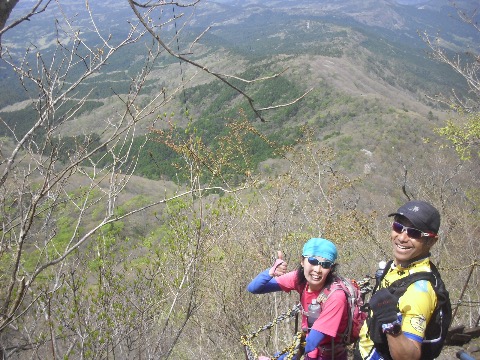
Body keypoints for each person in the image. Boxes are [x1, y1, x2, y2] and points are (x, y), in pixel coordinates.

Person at [355, 200, 443, 360]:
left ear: (431, 241)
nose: (402, 237)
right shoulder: (397, 266)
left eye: (415, 233)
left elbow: (409, 356)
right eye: (398, 227)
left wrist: (390, 324)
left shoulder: (419, 290)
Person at [247, 238, 349, 360]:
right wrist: (270, 272)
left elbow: (312, 342)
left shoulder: (336, 297)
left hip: (329, 355)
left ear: (331, 268)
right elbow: (254, 288)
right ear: (302, 261)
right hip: (310, 352)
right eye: (312, 261)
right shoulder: (300, 279)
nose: (317, 270)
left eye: (325, 265)